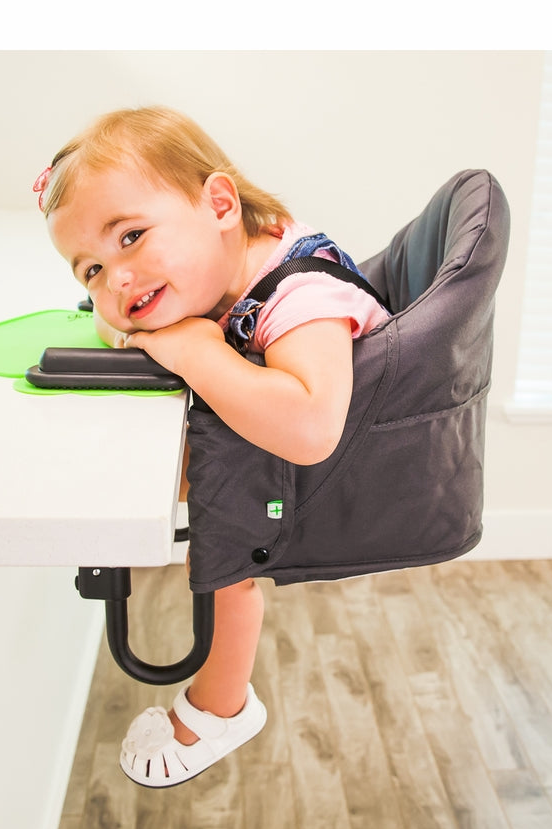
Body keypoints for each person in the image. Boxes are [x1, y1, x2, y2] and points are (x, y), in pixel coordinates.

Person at [33, 106, 389, 788]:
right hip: (274, 459)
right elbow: (138, 311)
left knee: (225, 545)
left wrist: (195, 350)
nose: (118, 282)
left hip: (332, 475)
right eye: (91, 271)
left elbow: (313, 428)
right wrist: (154, 323)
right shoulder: (219, 267)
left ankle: (225, 704)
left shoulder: (302, 296)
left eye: (131, 237)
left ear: (220, 203)